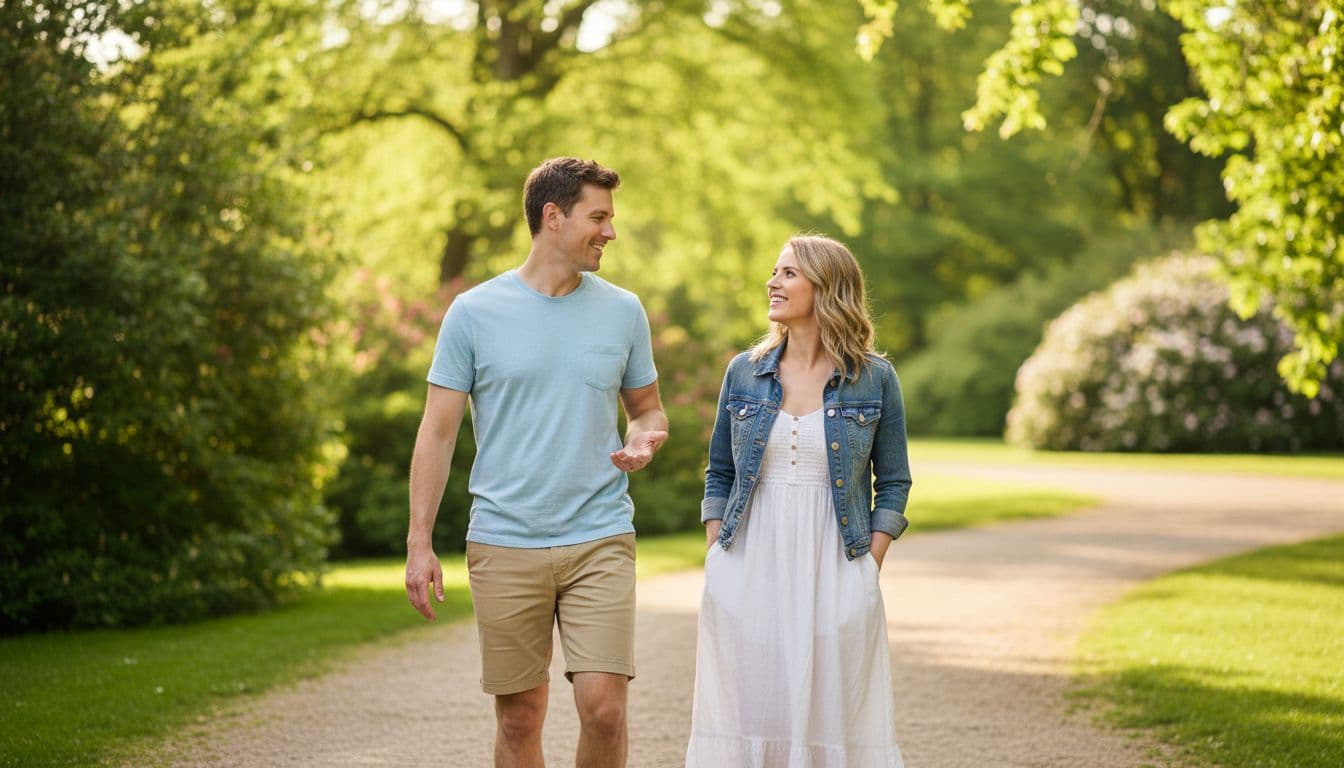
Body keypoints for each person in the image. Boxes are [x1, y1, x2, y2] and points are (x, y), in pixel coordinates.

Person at [405, 157, 668, 768]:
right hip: (504, 541)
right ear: (553, 216)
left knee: (604, 708)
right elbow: (437, 433)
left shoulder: (624, 310)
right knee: (520, 718)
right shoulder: (473, 313)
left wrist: (644, 438)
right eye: (598, 217)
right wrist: (420, 542)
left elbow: (649, 410)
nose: (610, 231)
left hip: (599, 534)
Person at [685, 234, 911, 768]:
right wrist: (719, 555)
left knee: (831, 708)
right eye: (774, 271)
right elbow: (719, 472)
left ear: (826, 286)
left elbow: (894, 482)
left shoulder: (874, 378)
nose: (773, 282)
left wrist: (866, 570)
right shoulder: (745, 371)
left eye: (788, 273)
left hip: (835, 566)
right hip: (749, 563)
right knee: (751, 710)